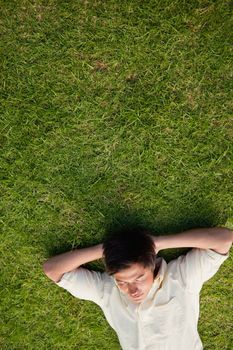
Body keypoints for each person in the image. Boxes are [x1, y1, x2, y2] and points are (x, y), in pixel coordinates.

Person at [43, 227, 233, 350]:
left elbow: (224, 239)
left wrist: (156, 243)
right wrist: (107, 250)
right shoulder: (107, 290)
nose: (132, 290)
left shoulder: (181, 277)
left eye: (139, 278)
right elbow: (52, 269)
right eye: (122, 282)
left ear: (151, 265)